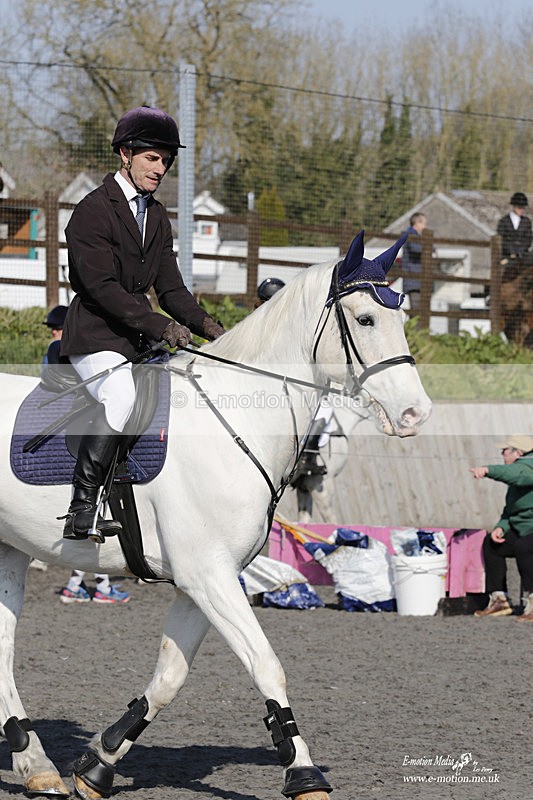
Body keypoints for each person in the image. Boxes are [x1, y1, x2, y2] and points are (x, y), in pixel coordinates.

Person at [59, 106, 224, 541]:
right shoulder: (92, 211)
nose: (161, 168)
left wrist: (211, 327)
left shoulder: (158, 217)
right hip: (95, 335)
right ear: (124, 154)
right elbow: (102, 288)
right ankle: (81, 508)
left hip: (134, 339)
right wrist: (159, 327)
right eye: (153, 158)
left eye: (166, 160)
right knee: (119, 396)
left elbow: (171, 290)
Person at [38, 306, 131, 603]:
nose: (54, 333)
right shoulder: (60, 350)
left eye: (57, 327)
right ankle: (93, 586)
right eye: (53, 329)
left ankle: (82, 585)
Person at [255, 277, 334, 475]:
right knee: (325, 408)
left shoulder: (294, 326)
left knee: (324, 405)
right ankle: (308, 455)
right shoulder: (257, 325)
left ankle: (307, 456)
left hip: (287, 382)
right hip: (266, 385)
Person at [469, 435, 533, 621]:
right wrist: (501, 527)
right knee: (492, 545)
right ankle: (499, 599)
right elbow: (510, 509)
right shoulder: (518, 476)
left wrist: (487, 470)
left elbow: (516, 474)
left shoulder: (527, 469)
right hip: (524, 530)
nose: (502, 453)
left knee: (524, 547)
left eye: (505, 450)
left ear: (519, 453)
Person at [496, 192, 532, 264]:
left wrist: (519, 252)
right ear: (514, 206)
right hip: (507, 255)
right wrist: (512, 251)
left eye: (523, 208)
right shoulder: (503, 222)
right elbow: (502, 240)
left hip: (522, 255)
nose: (522, 210)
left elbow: (528, 239)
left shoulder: (526, 221)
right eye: (519, 207)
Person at [401, 212, 427, 313]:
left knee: (420, 311)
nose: (425, 227)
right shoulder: (410, 235)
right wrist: (428, 248)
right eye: (424, 224)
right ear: (417, 223)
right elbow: (416, 249)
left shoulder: (416, 236)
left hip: (418, 280)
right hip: (414, 280)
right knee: (416, 311)